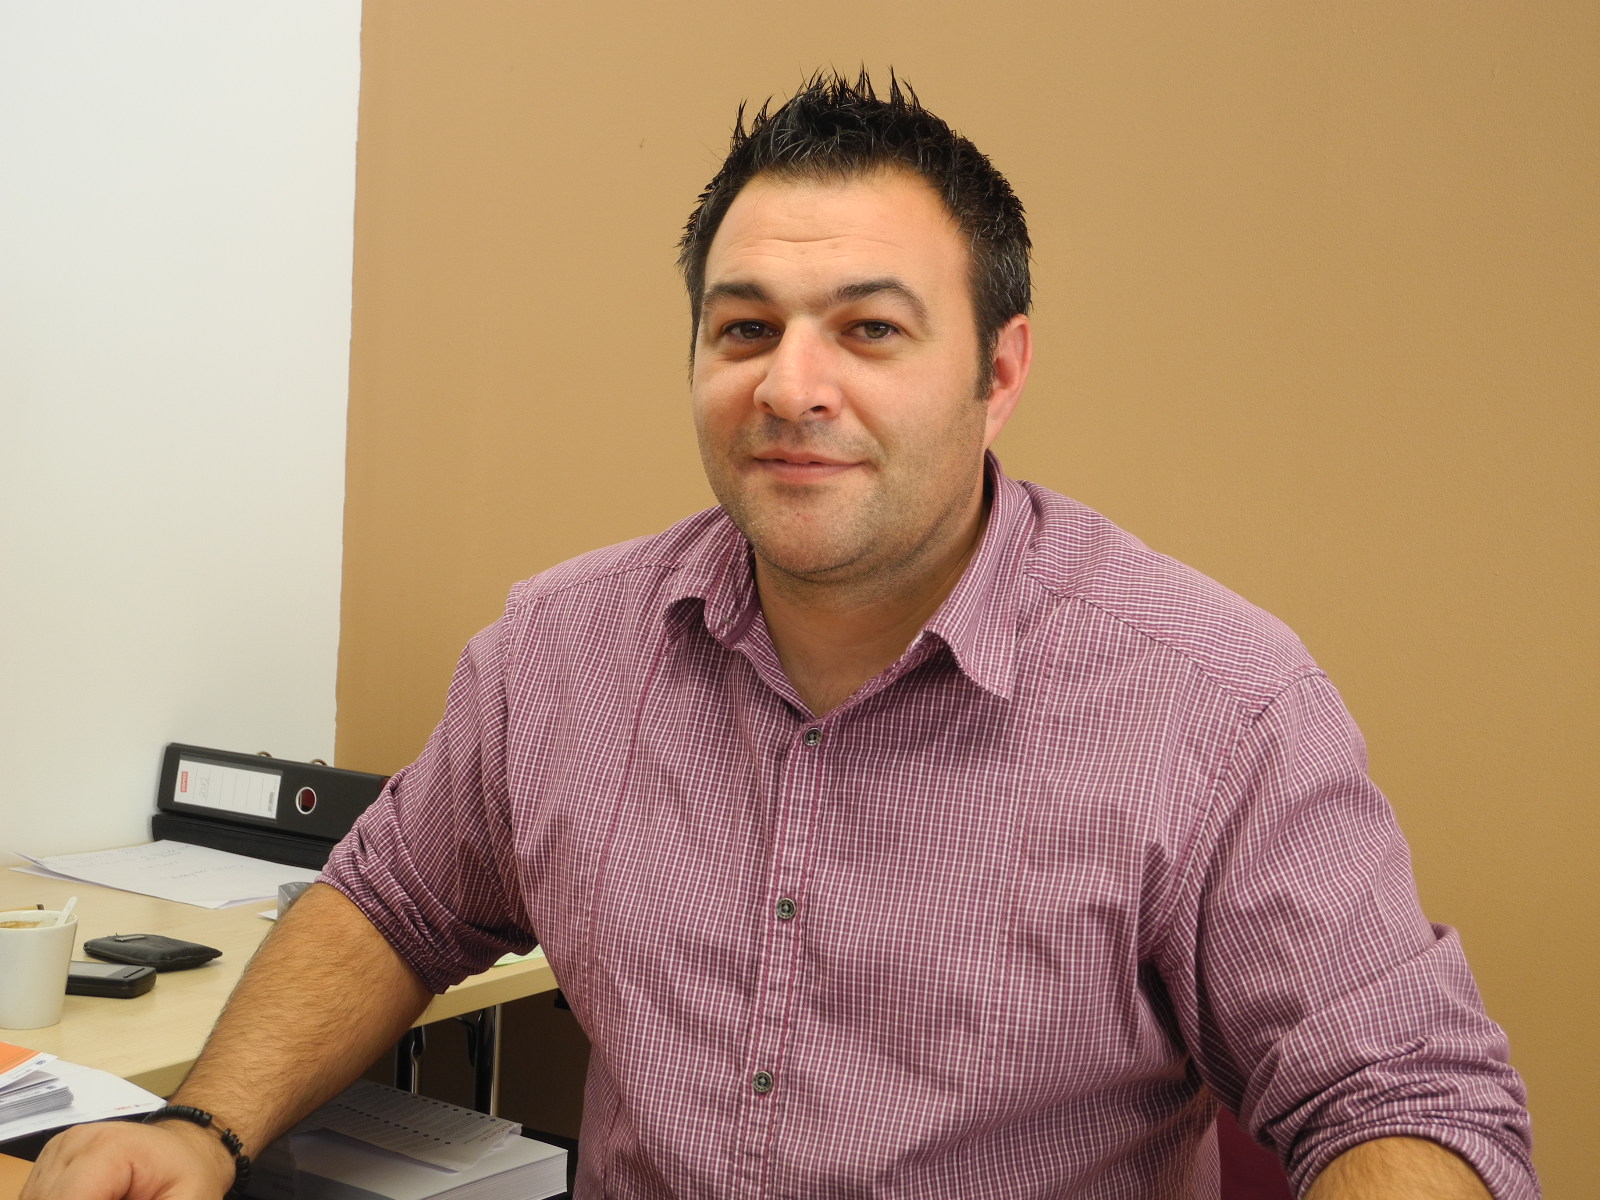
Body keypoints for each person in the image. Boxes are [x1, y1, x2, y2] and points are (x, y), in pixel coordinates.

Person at [24, 72, 1536, 1200]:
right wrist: (203, 1128)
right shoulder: (563, 649)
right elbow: (395, 901)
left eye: (870, 330)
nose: (790, 386)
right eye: (745, 328)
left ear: (1000, 370)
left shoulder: (1213, 700)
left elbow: (1409, 1103)